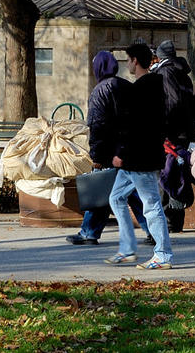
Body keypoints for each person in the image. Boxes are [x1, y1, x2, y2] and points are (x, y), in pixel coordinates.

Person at [67, 51, 152, 246]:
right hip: (129, 149)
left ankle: (89, 233)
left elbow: (97, 125)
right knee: (131, 191)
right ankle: (152, 229)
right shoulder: (127, 86)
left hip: (108, 151)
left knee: (102, 190)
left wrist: (95, 155)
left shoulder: (99, 91)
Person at [105, 42, 173, 269]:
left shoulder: (141, 89)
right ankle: (127, 249)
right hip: (140, 156)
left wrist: (121, 153)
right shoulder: (155, 87)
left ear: (135, 61)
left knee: (151, 204)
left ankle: (162, 255)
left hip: (139, 158)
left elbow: (133, 127)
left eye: (128, 60)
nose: (127, 64)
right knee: (116, 198)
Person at [150, 40, 195, 231]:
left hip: (171, 134)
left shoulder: (165, 72)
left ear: (160, 56)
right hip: (184, 132)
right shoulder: (183, 75)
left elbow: (172, 102)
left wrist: (164, 128)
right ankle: (175, 221)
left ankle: (167, 222)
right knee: (177, 174)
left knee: (165, 175)